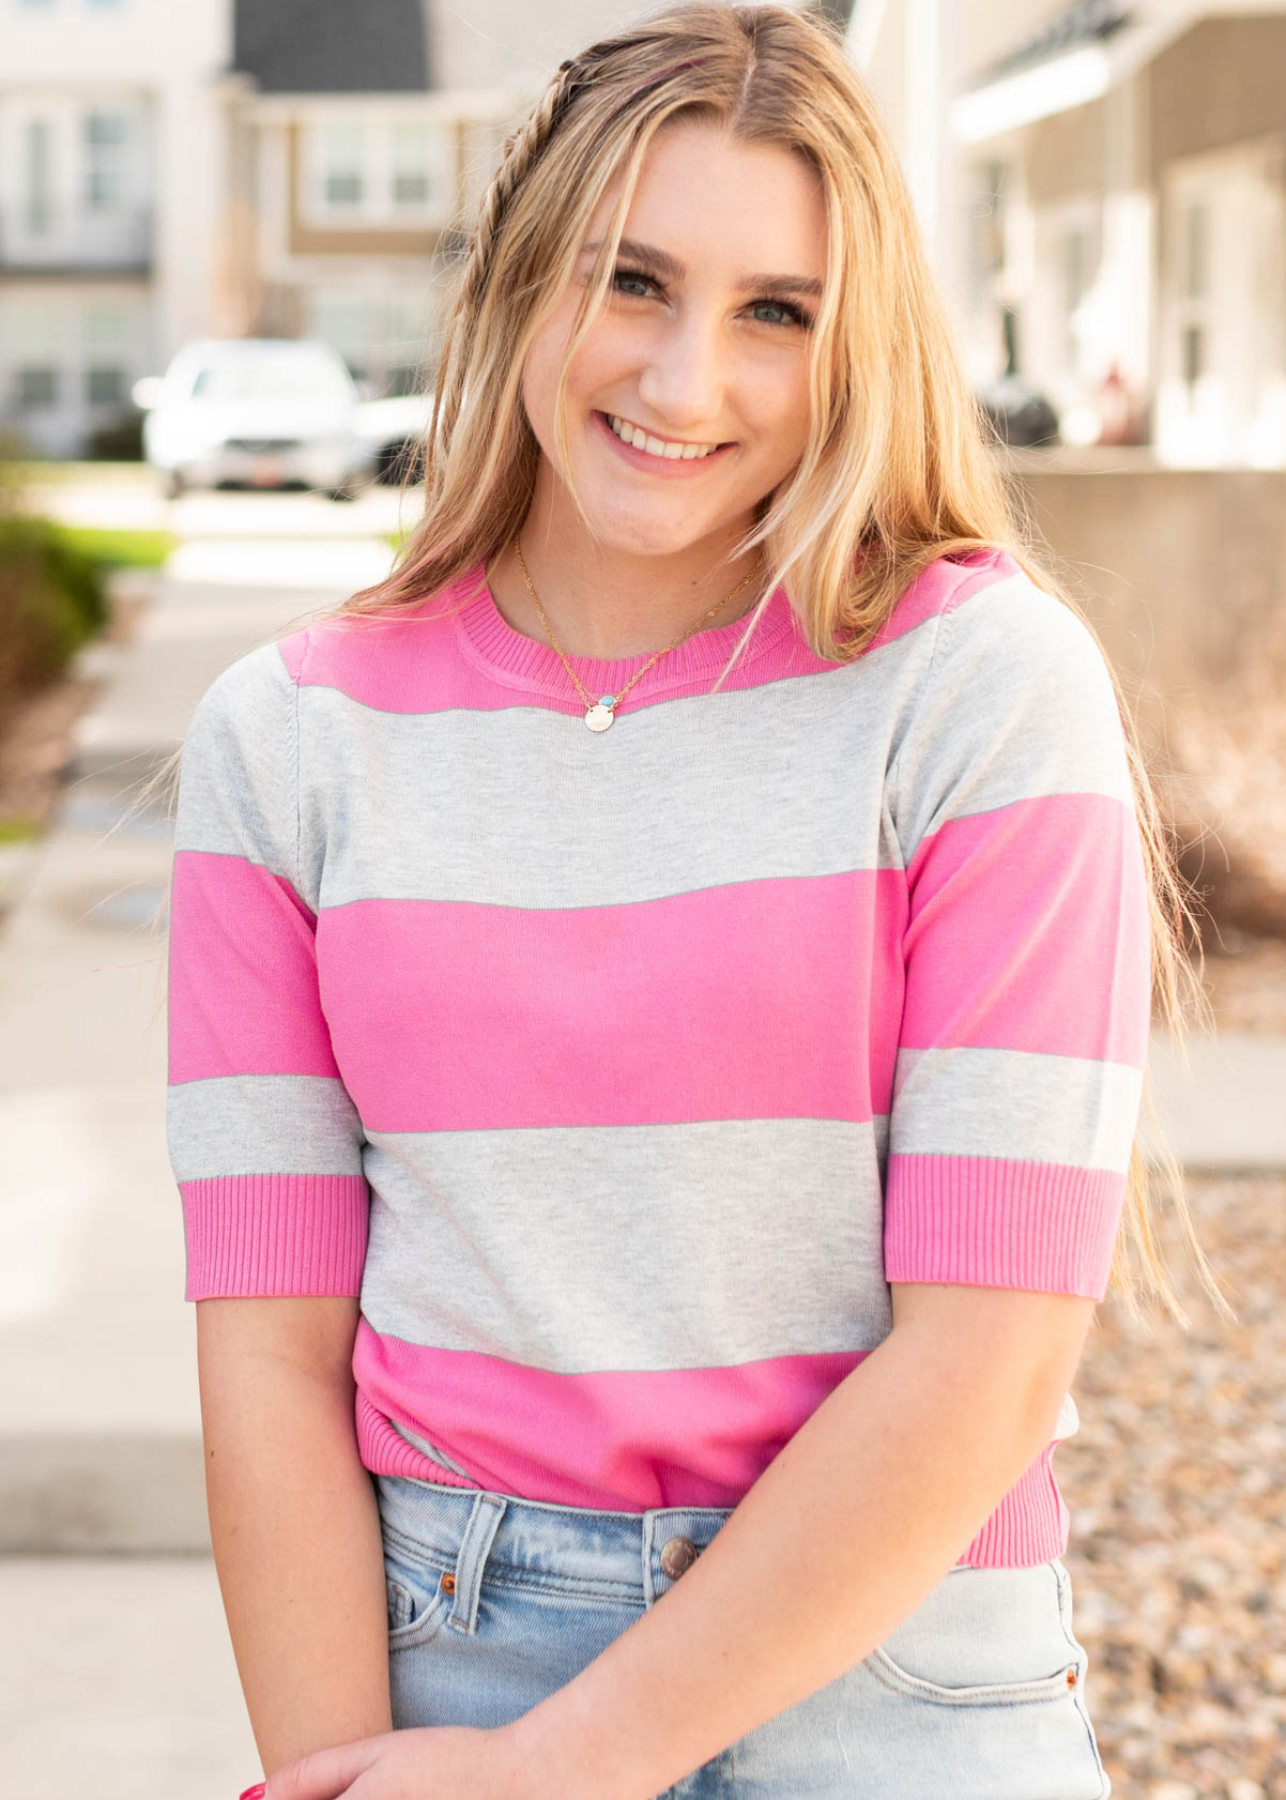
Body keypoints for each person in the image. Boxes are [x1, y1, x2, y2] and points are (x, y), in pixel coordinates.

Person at [162, 5, 1221, 1797]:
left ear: (854, 342)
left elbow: (991, 1336)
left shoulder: (976, 692)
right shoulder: (291, 741)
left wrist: (574, 1766)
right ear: (511, 281)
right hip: (446, 1650)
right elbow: (271, 1351)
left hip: (893, 1659)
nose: (682, 383)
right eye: (629, 281)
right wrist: (342, 1771)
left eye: (774, 315)